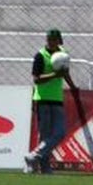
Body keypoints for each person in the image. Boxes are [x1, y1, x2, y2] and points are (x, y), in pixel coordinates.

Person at [24, 28, 78, 174]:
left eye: (55, 39)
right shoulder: (40, 56)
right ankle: (42, 166)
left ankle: (33, 156)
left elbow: (65, 73)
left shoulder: (62, 54)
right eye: (50, 39)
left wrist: (72, 86)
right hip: (43, 99)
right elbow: (36, 79)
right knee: (44, 135)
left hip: (57, 99)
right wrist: (54, 75)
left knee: (60, 133)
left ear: (59, 40)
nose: (52, 42)